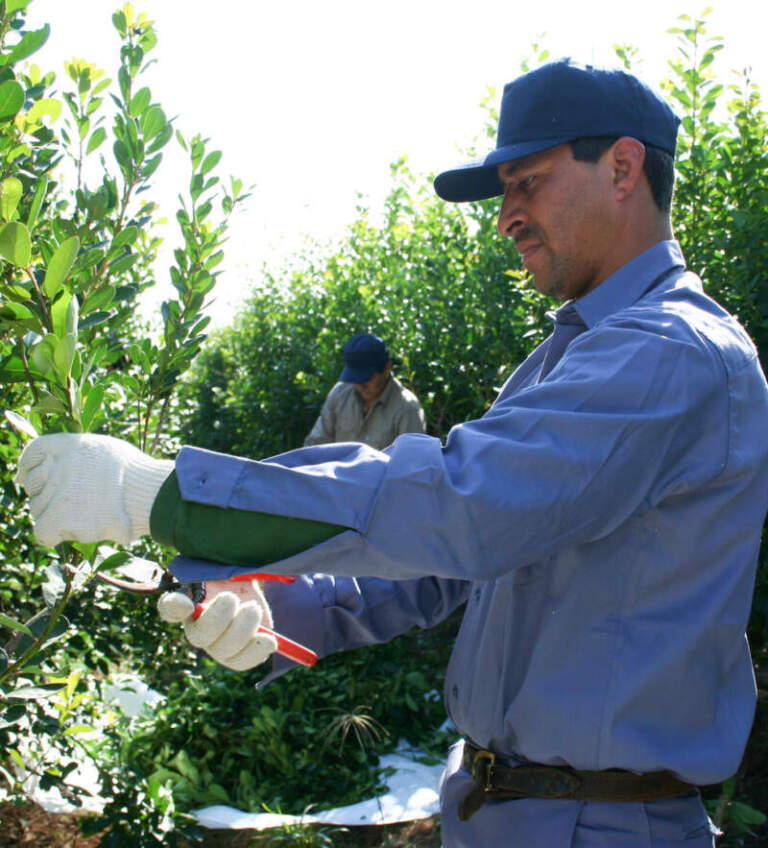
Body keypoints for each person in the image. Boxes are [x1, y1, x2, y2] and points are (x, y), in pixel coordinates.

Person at [16, 59, 768, 848]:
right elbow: (456, 566)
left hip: (600, 826)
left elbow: (459, 508)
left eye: (528, 183)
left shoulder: (670, 352)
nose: (506, 217)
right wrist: (280, 606)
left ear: (622, 167)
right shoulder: (571, 356)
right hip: (505, 809)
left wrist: (162, 497)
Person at [304, 332, 426, 450]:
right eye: (354, 378)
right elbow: (315, 444)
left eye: (366, 378)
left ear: (387, 368)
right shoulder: (340, 393)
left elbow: (413, 463)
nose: (359, 385)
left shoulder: (407, 408)